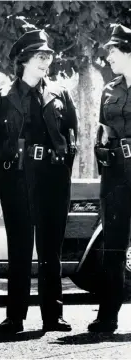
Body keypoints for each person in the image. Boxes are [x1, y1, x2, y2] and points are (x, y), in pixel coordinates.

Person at [0, 29, 78, 334]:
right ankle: (15, 316)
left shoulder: (61, 93)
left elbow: (71, 134)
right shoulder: (1, 98)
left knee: (51, 251)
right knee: (20, 250)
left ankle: (53, 316)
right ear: (23, 60)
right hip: (18, 180)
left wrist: (63, 168)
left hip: (53, 179)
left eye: (48, 57)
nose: (46, 63)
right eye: (40, 57)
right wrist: (12, 163)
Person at [90, 24, 131, 333]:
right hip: (116, 173)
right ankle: (108, 316)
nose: (109, 58)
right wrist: (103, 150)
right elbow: (104, 131)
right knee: (113, 245)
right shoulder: (109, 89)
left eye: (114, 52)